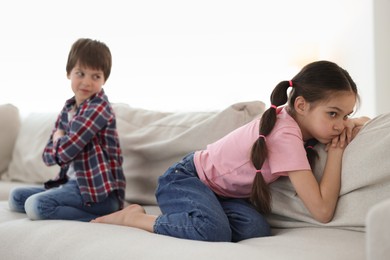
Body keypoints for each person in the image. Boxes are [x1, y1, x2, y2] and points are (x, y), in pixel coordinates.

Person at [92, 60, 370, 241]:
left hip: (220, 194)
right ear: (300, 105)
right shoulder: (285, 135)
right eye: (333, 114)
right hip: (183, 180)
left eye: (345, 115)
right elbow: (322, 211)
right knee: (213, 230)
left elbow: (362, 122)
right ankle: (135, 218)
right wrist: (336, 153)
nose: (340, 126)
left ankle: (202, 214)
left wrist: (354, 122)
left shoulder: (298, 124)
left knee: (256, 229)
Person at [8, 38, 126, 222]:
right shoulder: (69, 108)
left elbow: (64, 152)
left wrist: (58, 139)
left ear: (104, 80)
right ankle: (66, 205)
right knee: (16, 197)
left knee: (36, 206)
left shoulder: (99, 108)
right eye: (80, 73)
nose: (86, 82)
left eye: (95, 76)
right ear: (68, 73)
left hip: (99, 194)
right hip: (72, 185)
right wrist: (60, 142)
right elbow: (48, 157)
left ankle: (107, 217)